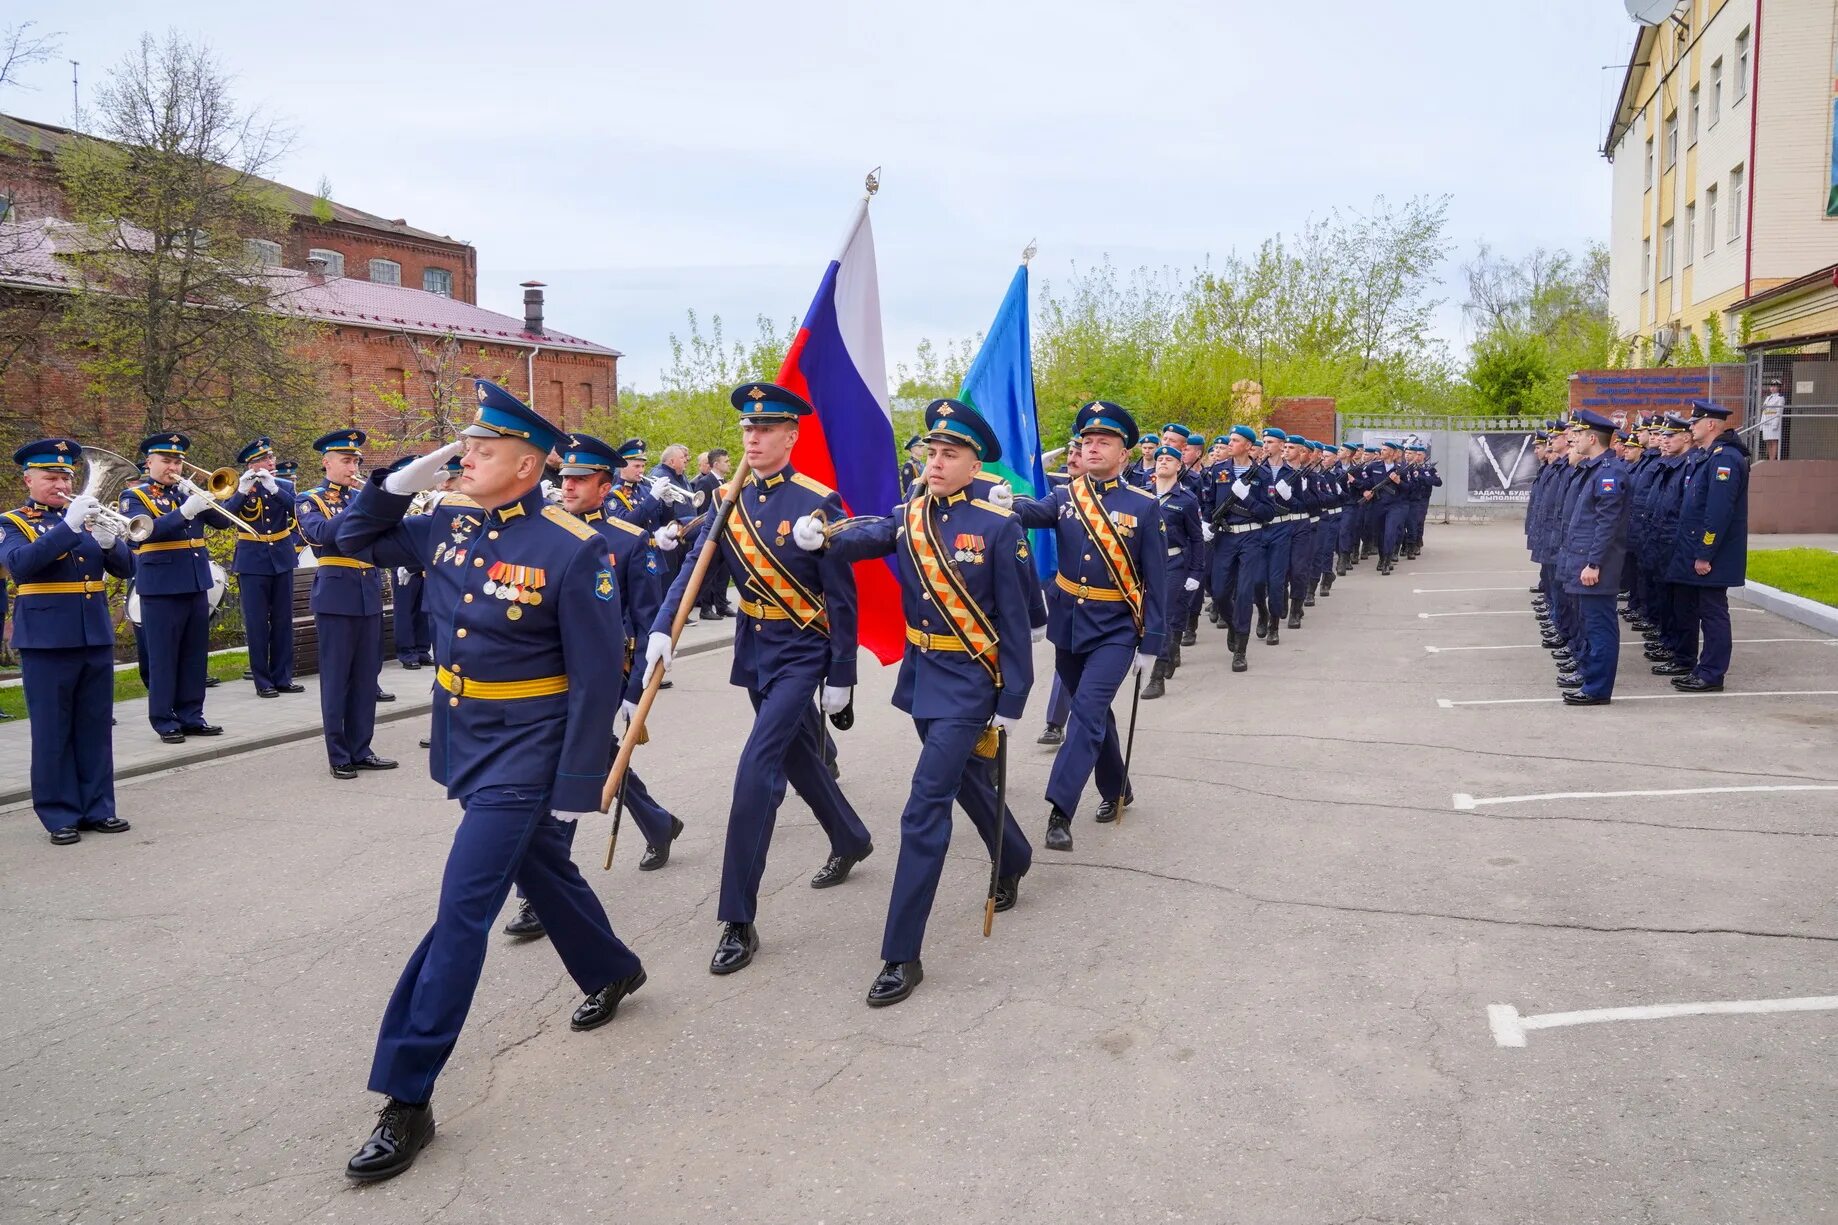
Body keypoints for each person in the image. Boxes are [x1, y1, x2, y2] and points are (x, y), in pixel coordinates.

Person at [331, 384, 645, 1184]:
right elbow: (355, 536)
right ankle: (611, 966)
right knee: (538, 862)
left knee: (462, 908)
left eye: (482, 448)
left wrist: (579, 779)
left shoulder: (572, 547)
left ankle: (408, 1094)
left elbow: (596, 677)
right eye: (464, 445)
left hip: (530, 748)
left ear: (528, 463)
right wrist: (402, 477)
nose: (465, 455)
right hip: (468, 737)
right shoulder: (447, 520)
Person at [796, 397, 1035, 1006]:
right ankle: (1015, 855)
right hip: (924, 676)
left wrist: (1013, 697)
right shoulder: (912, 517)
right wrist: (820, 535)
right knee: (965, 782)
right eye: (931, 451)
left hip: (972, 682)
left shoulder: (998, 526)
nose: (935, 461)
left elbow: (1020, 619)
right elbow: (867, 533)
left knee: (923, 805)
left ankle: (901, 953)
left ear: (975, 461)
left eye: (948, 453)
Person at [643, 382, 875, 976]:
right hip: (755, 647)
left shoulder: (818, 502)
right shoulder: (728, 499)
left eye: (767, 429)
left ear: (791, 436)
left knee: (757, 770)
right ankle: (850, 837)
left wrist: (842, 674)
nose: (754, 437)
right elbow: (696, 568)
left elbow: (841, 596)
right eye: (748, 429)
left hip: (803, 649)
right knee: (799, 756)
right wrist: (665, 627)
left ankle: (736, 918)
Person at [502, 432, 686, 943]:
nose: (568, 488)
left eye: (581, 480)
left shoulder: (628, 542)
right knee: (599, 763)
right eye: (564, 479)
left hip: (599, 680)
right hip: (544, 679)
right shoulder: (541, 535)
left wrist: (634, 691)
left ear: (605, 487)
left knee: (568, 777)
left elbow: (651, 625)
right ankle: (658, 822)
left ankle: (538, 896)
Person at [996, 401, 1167, 851]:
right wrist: (1004, 501)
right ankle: (1117, 788)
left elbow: (1158, 583)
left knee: (1086, 714)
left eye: (1103, 442)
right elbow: (1030, 513)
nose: (1092, 448)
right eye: (1087, 441)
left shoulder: (1145, 508)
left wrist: (1153, 644)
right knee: (1098, 718)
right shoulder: (1066, 496)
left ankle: (1060, 809)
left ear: (1123, 454)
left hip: (1116, 630)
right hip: (1070, 626)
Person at [0, 438, 136, 843]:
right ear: (29, 479)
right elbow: (21, 566)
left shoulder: (88, 519)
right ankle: (59, 814)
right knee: (52, 730)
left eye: (66, 476)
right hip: (46, 640)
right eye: (51, 476)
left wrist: (112, 543)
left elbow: (126, 568)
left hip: (93, 634)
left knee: (94, 727)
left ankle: (98, 808)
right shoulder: (13, 522)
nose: (60, 483)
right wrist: (69, 526)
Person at [296, 430, 396, 780]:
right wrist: (362, 505)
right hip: (336, 594)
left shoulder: (359, 497)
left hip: (368, 592)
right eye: (345, 460)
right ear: (326, 462)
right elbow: (321, 535)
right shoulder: (310, 499)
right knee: (337, 677)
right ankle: (338, 753)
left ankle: (361, 748)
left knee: (367, 677)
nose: (352, 466)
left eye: (355, 460)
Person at [121, 433, 223, 743]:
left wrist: (209, 498)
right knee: (163, 657)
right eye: (166, 460)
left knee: (194, 656)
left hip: (194, 581)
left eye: (177, 460)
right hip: (161, 587)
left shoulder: (184, 491)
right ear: (149, 462)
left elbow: (223, 524)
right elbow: (143, 534)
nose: (173, 466)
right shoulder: (135, 496)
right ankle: (164, 719)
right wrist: (185, 511)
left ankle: (192, 715)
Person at [1666, 400, 1749, 693]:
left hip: (1714, 554)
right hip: (1703, 550)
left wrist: (1704, 552)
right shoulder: (1710, 456)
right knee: (1705, 610)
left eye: (1696, 421)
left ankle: (1712, 674)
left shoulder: (1725, 459)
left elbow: (1718, 512)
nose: (1691, 426)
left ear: (1711, 424)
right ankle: (1705, 668)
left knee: (1713, 613)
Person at [1553, 411, 1632, 706]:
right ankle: (1590, 678)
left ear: (1591, 438)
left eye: (1579, 433)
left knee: (1600, 627)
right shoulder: (1594, 469)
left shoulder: (1609, 473)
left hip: (1596, 566)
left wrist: (1594, 563)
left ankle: (1597, 688)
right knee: (1589, 624)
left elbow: (1607, 523)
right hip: (1583, 562)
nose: (1573, 438)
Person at [222, 437, 304, 698]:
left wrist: (277, 490)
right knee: (257, 623)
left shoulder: (282, 485)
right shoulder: (237, 488)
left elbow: (300, 512)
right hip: (252, 560)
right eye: (266, 459)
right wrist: (242, 491)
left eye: (272, 457)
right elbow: (224, 518)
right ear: (252, 464)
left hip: (281, 556)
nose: (272, 462)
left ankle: (283, 676)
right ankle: (263, 680)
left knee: (282, 621)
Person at [1207, 425, 1273, 673]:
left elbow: (1268, 512)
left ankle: (1240, 650)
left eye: (1235, 440)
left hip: (1251, 537)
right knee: (1219, 592)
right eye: (1230, 440)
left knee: (1244, 592)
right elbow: (1208, 502)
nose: (1230, 443)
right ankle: (1234, 626)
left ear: (1248, 446)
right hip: (1224, 538)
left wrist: (1247, 498)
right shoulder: (1217, 471)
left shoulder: (1263, 475)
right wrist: (1205, 523)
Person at [1140, 444, 1202, 699]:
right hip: (1142, 565)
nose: (1163, 462)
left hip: (1172, 564)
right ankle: (1171, 646)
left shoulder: (1186, 500)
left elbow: (1196, 539)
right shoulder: (1141, 496)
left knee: (1162, 616)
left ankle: (1156, 676)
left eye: (1169, 459)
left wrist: (1195, 573)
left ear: (1179, 466)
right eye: (1160, 459)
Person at [692, 447, 734, 618]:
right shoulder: (706, 482)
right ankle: (706, 608)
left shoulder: (724, 482)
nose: (729, 464)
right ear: (716, 464)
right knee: (709, 572)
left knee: (724, 572)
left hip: (725, 533)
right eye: (726, 461)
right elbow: (703, 511)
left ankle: (721, 604)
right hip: (712, 533)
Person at [1759, 379, 1784, 462]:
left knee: (1773, 440)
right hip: (1766, 421)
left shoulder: (1780, 398)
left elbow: (1779, 411)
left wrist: (1775, 424)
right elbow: (1764, 411)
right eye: (1771, 386)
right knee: (1768, 441)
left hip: (1773, 421)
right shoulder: (1768, 398)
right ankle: (1770, 459)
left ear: (1778, 388)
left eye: (1775, 386)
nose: (1773, 388)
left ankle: (1773, 459)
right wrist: (1761, 423)